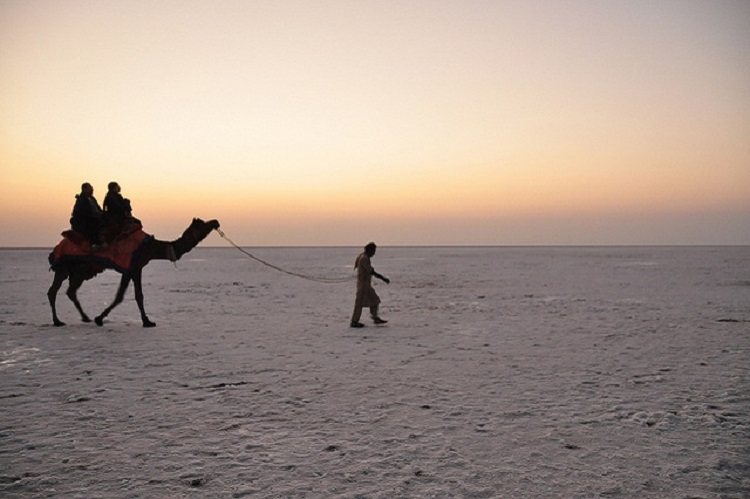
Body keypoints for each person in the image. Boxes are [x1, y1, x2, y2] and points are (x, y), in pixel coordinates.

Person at [350, 242, 390, 328]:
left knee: (375, 301)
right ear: (369, 250)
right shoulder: (364, 258)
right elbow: (371, 271)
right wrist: (383, 278)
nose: (374, 253)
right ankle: (354, 321)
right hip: (363, 285)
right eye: (373, 251)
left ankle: (375, 318)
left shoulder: (364, 256)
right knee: (359, 304)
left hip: (366, 285)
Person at [69, 182, 104, 248]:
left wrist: (103, 215)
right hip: (83, 221)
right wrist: (96, 216)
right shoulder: (81, 200)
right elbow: (85, 212)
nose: (92, 189)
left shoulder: (92, 199)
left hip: (93, 218)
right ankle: (94, 243)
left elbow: (98, 209)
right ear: (85, 189)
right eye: (90, 188)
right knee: (93, 224)